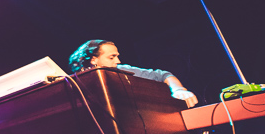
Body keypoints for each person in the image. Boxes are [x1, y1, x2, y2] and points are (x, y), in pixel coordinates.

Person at [68, 39, 198, 107]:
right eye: (112, 57)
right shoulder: (74, 82)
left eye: (117, 56)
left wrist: (178, 89)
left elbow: (163, 75)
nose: (118, 61)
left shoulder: (122, 69)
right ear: (93, 60)